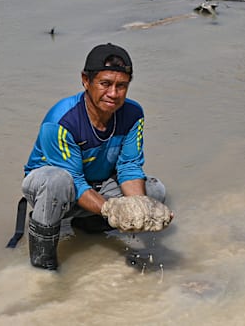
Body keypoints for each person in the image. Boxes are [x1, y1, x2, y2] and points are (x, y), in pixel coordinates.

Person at [20, 43, 172, 270]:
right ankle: (43, 265)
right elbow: (74, 181)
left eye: (121, 86)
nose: (113, 93)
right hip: (55, 188)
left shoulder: (133, 114)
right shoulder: (62, 120)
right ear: (85, 80)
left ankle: (90, 224)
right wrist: (113, 211)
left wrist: (138, 207)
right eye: (105, 84)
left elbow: (129, 167)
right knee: (57, 181)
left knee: (154, 192)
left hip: (97, 185)